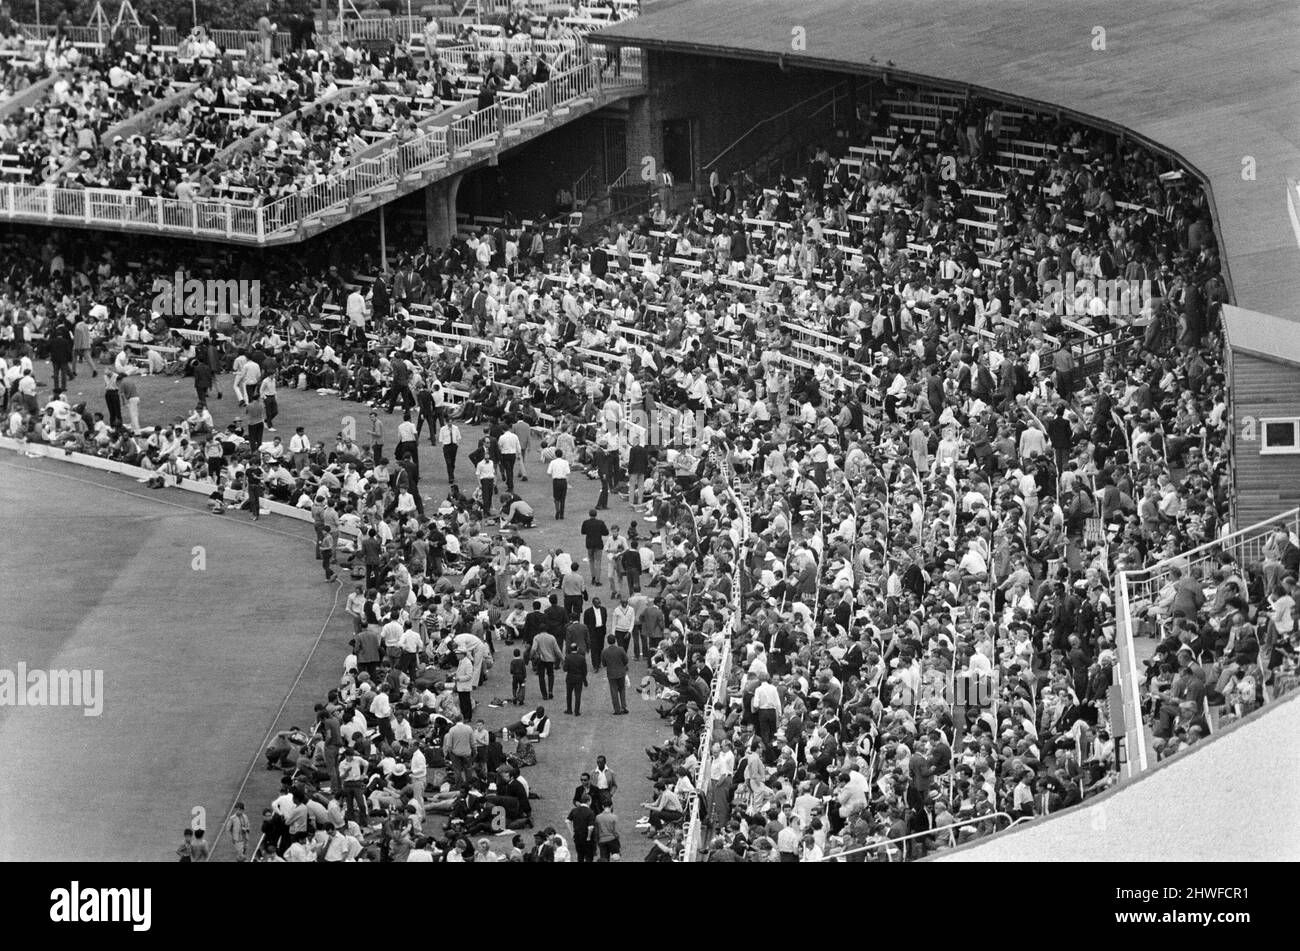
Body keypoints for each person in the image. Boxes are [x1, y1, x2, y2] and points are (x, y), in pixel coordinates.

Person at [601, 634, 630, 715]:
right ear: (615, 640)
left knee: (613, 691)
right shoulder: (620, 649)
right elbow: (626, 660)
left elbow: (604, 664)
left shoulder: (605, 652)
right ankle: (624, 706)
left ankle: (617, 709)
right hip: (621, 672)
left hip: (611, 674)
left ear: (608, 642)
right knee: (622, 689)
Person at [563, 642, 588, 716]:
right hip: (579, 678)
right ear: (577, 649)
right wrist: (584, 680)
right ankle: (577, 711)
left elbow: (565, 669)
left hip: (570, 677)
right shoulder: (582, 658)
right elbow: (584, 670)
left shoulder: (567, 657)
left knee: (569, 694)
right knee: (578, 695)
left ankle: (569, 709)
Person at [547, 449, 570, 518]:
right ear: (562, 455)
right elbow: (568, 473)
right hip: (563, 481)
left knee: (556, 497)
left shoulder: (552, 462)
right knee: (563, 498)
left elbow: (549, 472)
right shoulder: (565, 462)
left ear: (555, 455)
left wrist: (553, 475)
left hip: (556, 481)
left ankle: (557, 510)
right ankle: (562, 514)